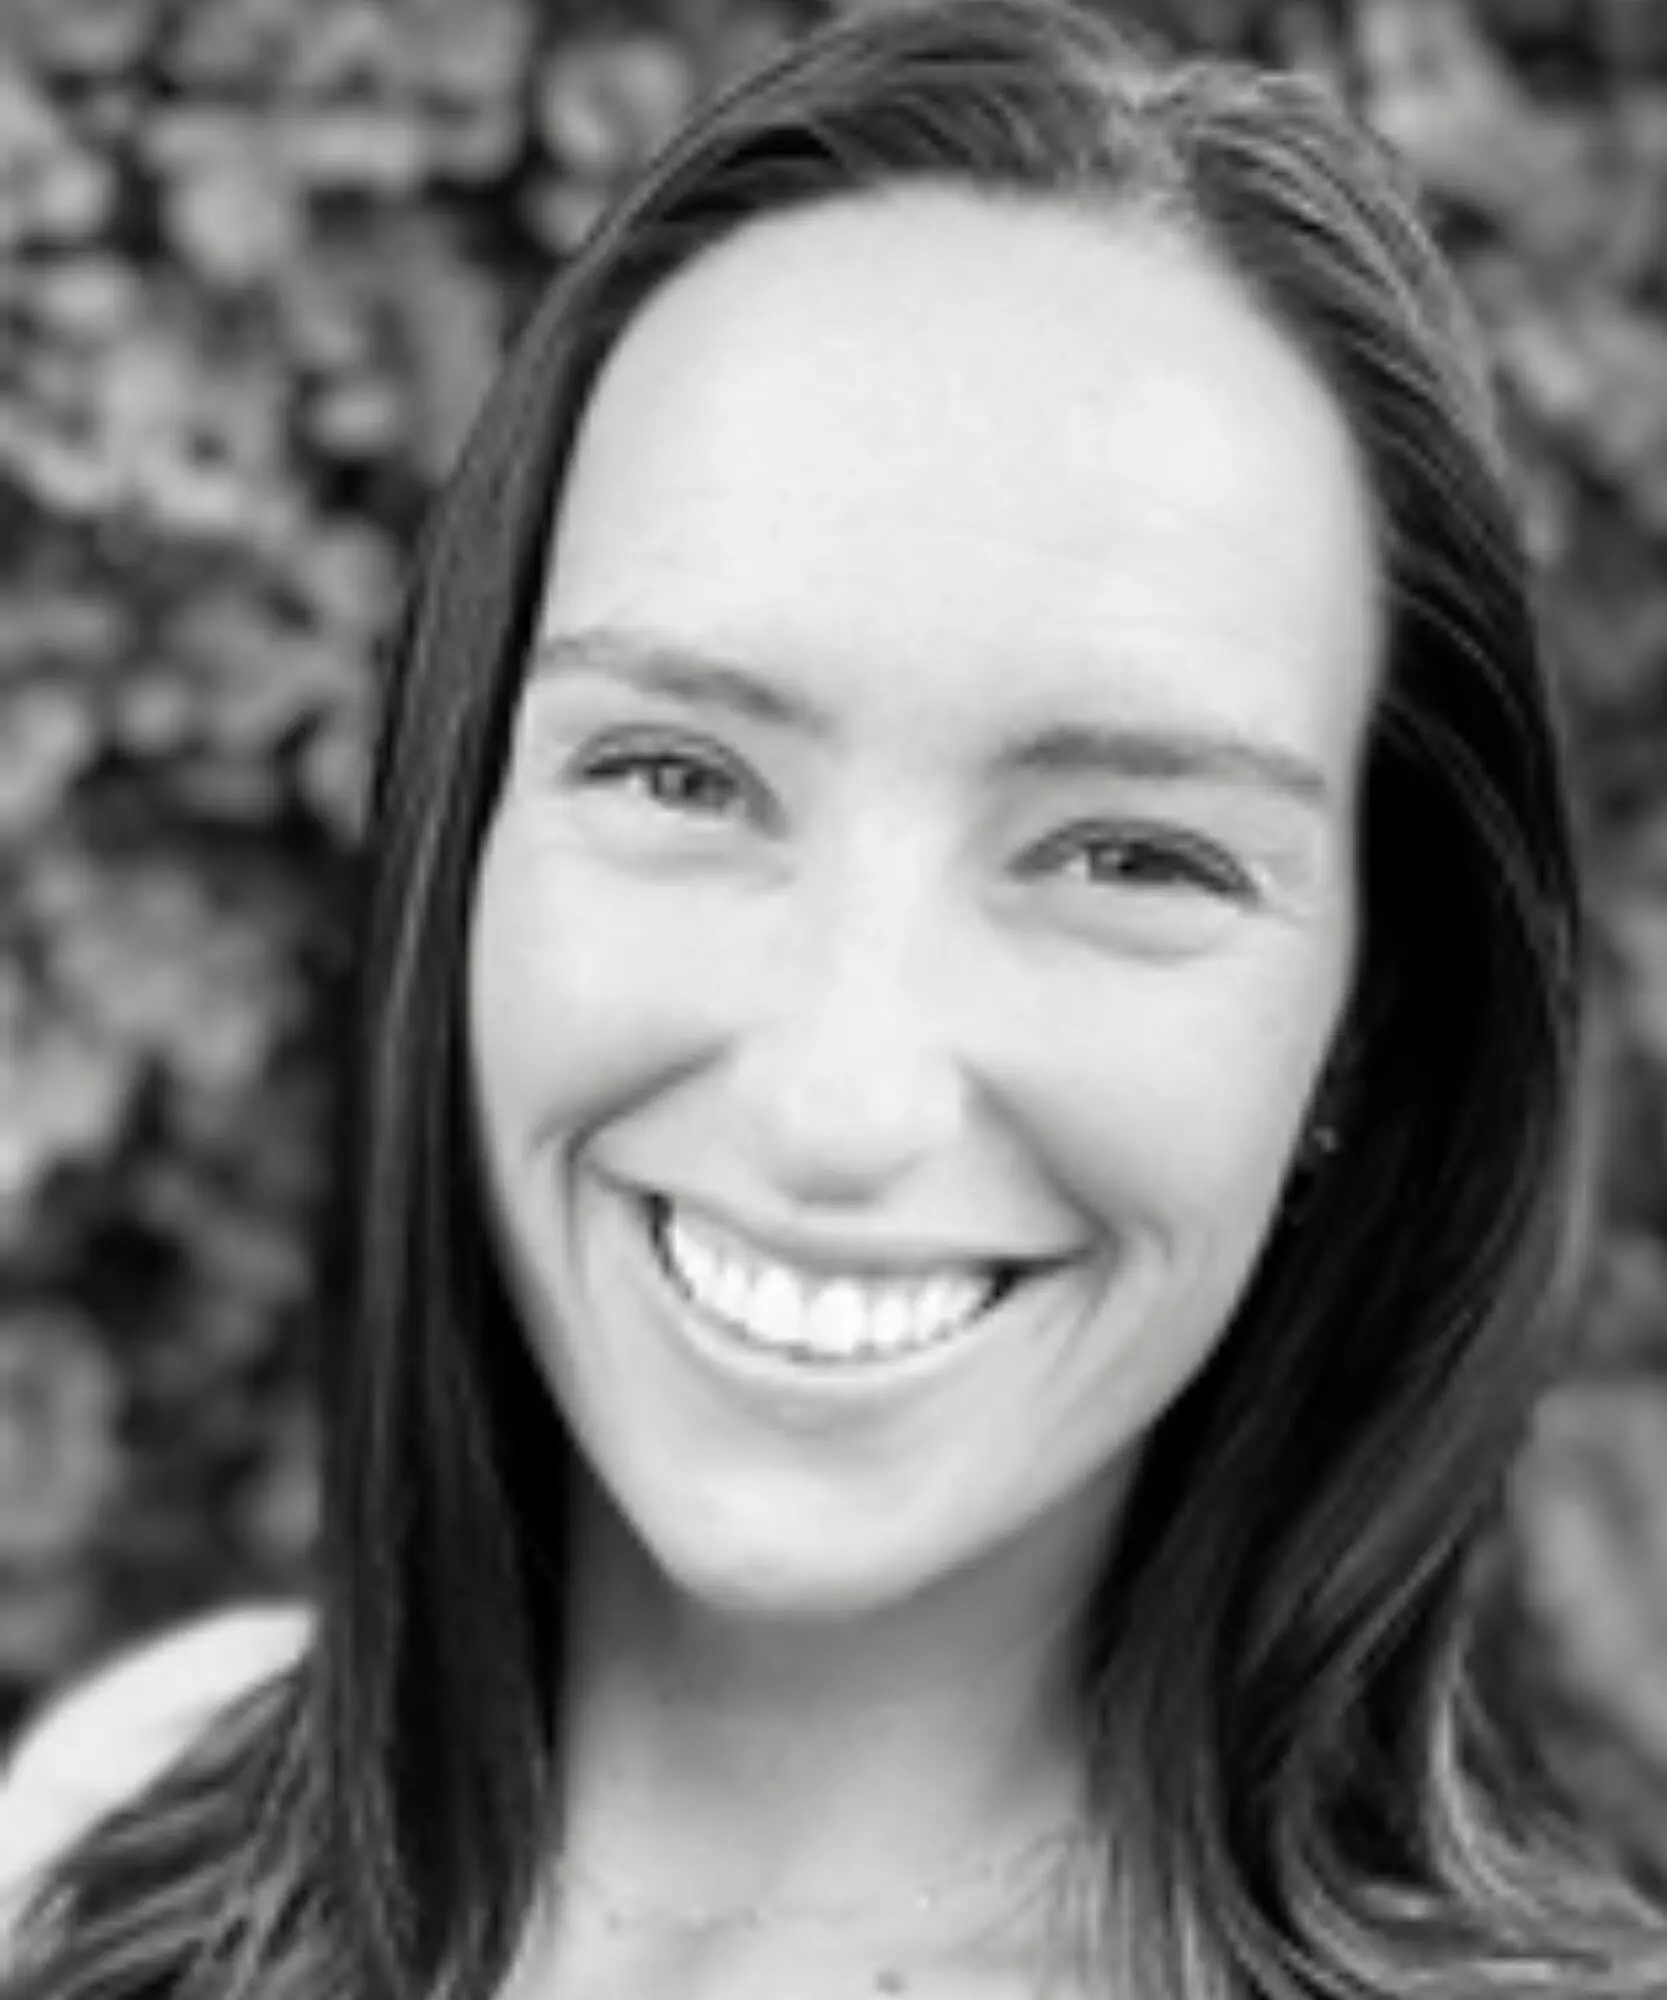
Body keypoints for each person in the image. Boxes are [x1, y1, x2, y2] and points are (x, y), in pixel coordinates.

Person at [4, 1, 1666, 1994]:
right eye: (680, 779)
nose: (835, 1098)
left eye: (1130, 855)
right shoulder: (133, 1812)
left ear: (1363, 1024)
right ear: (467, 834)